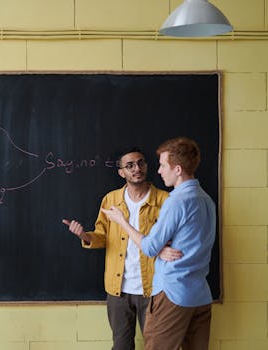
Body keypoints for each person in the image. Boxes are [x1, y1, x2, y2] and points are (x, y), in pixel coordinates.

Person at [101, 137, 216, 350]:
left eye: (163, 165)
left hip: (173, 293)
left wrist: (122, 222)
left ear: (178, 169)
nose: (160, 171)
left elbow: (150, 247)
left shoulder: (175, 201)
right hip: (200, 294)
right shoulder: (206, 199)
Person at [62, 147, 177, 350]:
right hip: (118, 291)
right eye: (130, 165)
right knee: (121, 346)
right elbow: (102, 236)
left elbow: (174, 240)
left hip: (154, 289)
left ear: (147, 166)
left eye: (141, 163)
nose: (137, 169)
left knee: (159, 346)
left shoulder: (164, 200)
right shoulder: (111, 200)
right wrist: (84, 235)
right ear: (121, 172)